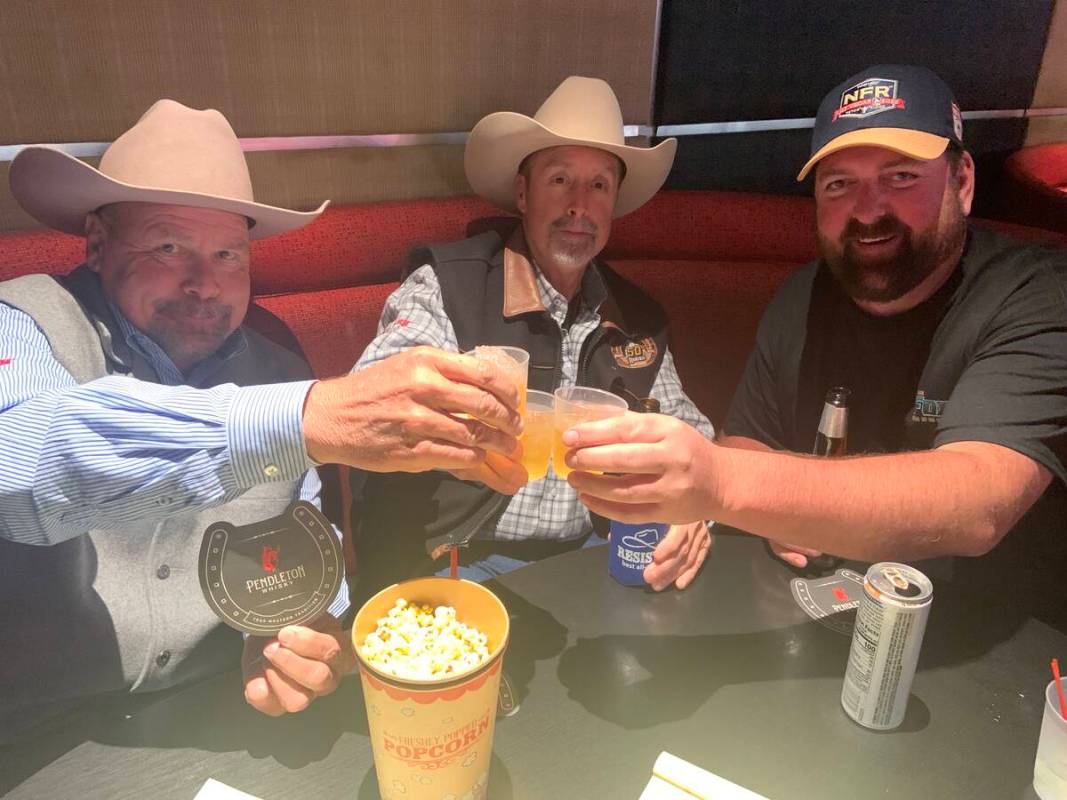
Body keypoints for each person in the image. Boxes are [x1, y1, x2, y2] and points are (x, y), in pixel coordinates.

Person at [0, 100, 524, 738]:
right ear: (97, 243)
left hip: (220, 714)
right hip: (32, 732)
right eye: (169, 246)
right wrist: (306, 417)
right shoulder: (22, 319)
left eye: (228, 255)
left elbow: (303, 532)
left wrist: (301, 630)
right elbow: (24, 462)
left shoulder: (278, 363)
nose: (205, 283)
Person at [561, 65, 1067, 628]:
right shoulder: (804, 293)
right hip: (812, 611)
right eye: (839, 184)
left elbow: (981, 501)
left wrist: (723, 485)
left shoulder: (1034, 293)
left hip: (991, 637)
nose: (869, 209)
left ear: (963, 181)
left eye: (901, 176)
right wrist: (780, 505)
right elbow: (747, 440)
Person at [352, 77, 713, 593]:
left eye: (599, 186)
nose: (579, 206)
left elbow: (692, 437)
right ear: (522, 193)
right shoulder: (447, 286)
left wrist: (693, 507)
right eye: (560, 179)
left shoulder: (637, 317)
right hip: (461, 562)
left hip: (599, 558)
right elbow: (374, 399)